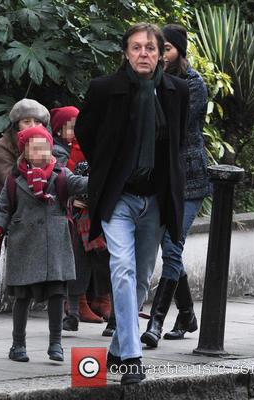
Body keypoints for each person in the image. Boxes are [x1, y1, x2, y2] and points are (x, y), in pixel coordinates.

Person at [75, 22, 189, 385]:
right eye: (137, 47)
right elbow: (86, 134)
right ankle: (132, 357)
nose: (144, 54)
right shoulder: (105, 89)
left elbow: (178, 141)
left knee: (139, 277)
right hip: (119, 197)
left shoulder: (176, 91)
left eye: (151, 48)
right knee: (121, 269)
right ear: (125, 52)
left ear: (160, 54)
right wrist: (109, 170)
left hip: (155, 199)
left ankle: (114, 352)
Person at [0, 126, 88, 363]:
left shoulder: (61, 176)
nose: (42, 152)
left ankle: (55, 344)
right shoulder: (14, 179)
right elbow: (4, 209)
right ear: (25, 151)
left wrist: (105, 175)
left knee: (56, 294)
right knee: (21, 297)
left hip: (55, 245)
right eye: (36, 148)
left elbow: (83, 185)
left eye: (45, 146)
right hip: (24, 244)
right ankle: (18, 344)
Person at [141, 24, 211, 348]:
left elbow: (172, 125)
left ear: (179, 52)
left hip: (190, 179)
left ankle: (155, 322)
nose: (161, 54)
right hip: (161, 177)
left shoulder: (193, 85)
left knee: (172, 247)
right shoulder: (151, 81)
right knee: (169, 249)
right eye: (159, 48)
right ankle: (186, 314)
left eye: (166, 48)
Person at [50, 107, 113, 327]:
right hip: (74, 213)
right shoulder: (59, 152)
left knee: (101, 256)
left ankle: (100, 300)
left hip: (90, 210)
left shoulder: (85, 146)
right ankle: (76, 307)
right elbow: (67, 178)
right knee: (80, 259)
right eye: (71, 127)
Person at [0, 98, 50, 193]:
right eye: (26, 122)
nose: (33, 126)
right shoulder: (3, 145)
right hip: (9, 200)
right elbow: (9, 180)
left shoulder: (46, 143)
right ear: (17, 125)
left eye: (37, 122)